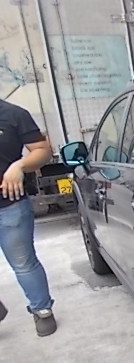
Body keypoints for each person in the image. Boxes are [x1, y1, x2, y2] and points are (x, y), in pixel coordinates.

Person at [0, 99, 57, 336]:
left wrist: (20, 165)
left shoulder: (14, 114)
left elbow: (43, 151)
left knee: (23, 263)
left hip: (9, 206)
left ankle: (42, 310)